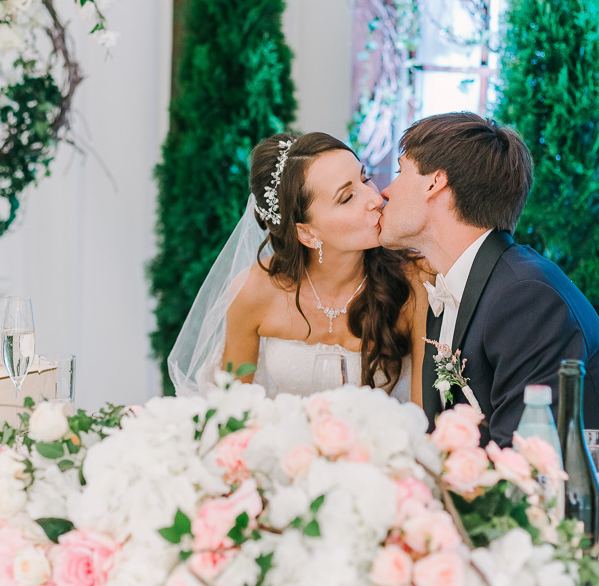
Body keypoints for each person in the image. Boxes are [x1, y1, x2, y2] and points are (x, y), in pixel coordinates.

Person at [378, 112, 599, 444]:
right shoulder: (454, 287)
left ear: (435, 183)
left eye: (399, 171)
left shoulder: (527, 297)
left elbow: (526, 462)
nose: (386, 191)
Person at [168, 132, 430, 401]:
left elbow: (426, 414)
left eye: (365, 180)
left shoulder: (413, 282)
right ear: (307, 234)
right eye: (347, 197)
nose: (375, 199)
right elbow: (233, 409)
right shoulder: (254, 291)